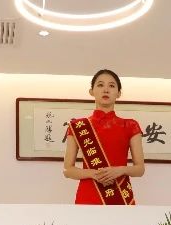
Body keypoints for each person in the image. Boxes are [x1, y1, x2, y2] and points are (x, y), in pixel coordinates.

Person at [62, 69, 146, 205]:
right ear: (91, 91)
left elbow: (140, 169)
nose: (106, 90)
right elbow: (68, 170)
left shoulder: (130, 125)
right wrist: (94, 174)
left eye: (111, 86)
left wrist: (119, 171)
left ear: (118, 93)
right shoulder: (77, 126)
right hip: (89, 194)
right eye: (100, 85)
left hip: (120, 193)